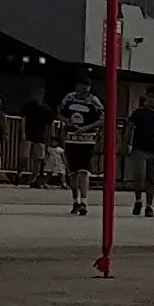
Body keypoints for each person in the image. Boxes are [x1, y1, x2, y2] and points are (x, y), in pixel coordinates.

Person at [52, 79, 103, 217]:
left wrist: (86, 128)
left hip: (87, 139)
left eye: (85, 91)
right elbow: (59, 113)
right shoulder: (69, 98)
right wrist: (67, 122)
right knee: (73, 171)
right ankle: (75, 200)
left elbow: (102, 119)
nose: (82, 93)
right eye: (80, 90)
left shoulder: (94, 101)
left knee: (84, 170)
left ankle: (84, 202)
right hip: (71, 137)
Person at [126, 84, 154, 219]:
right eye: (150, 97)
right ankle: (138, 199)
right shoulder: (138, 113)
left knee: (151, 179)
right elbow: (129, 128)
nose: (152, 99)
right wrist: (126, 144)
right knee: (139, 175)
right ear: (146, 97)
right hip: (139, 148)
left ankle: (149, 206)